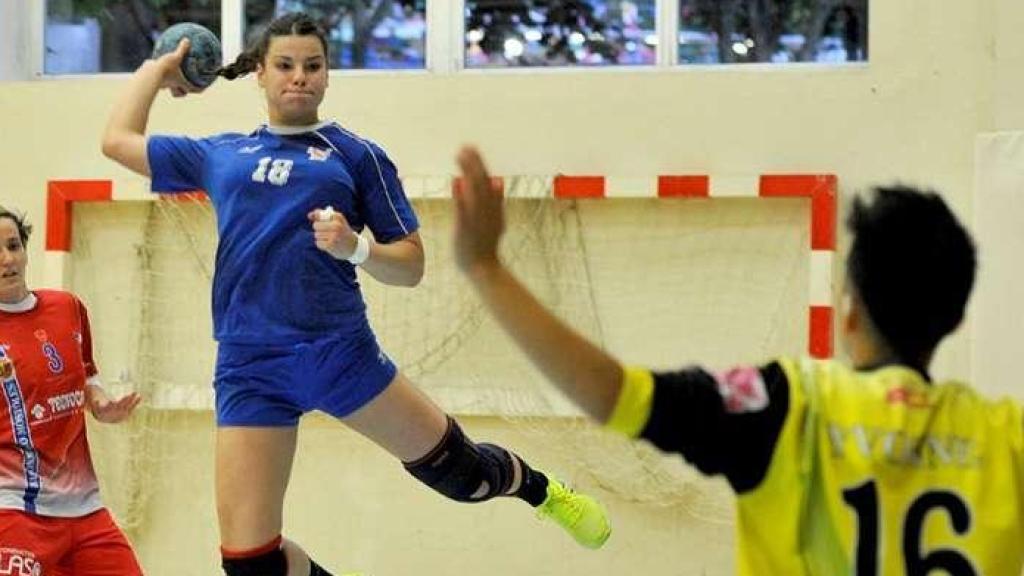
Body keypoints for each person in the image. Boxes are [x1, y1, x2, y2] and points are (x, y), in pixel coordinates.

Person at [100, 12, 610, 576]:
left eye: (313, 66)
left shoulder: (356, 155)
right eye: (285, 66)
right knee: (249, 563)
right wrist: (157, 69)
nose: (300, 77)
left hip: (339, 354)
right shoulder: (220, 154)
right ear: (260, 76)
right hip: (249, 365)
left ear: (327, 75)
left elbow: (411, 266)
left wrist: (354, 249)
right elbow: (117, 141)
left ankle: (541, 492)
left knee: (463, 479)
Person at [454, 147, 1023, 575]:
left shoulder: (791, 404)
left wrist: (486, 268)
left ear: (849, 312)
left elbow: (614, 393)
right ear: (954, 320)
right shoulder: (1007, 439)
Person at [0, 208, 144, 575]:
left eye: (13, 245)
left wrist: (100, 405)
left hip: (84, 507)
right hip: (14, 508)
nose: (7, 259)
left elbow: (87, 375)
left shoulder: (67, 307)